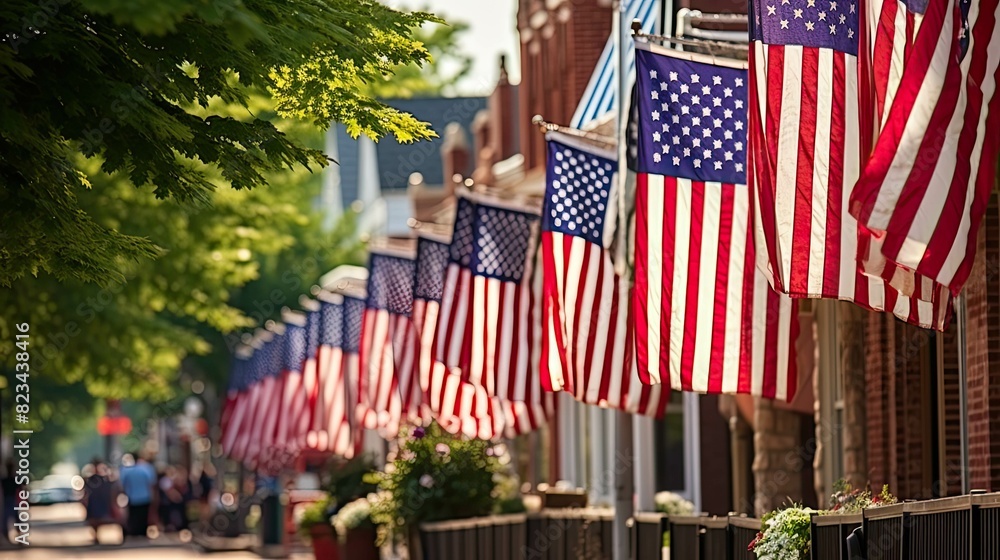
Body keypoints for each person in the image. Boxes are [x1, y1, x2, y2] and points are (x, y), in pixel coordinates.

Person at [119, 453, 157, 538]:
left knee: (134, 516)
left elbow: (123, 484)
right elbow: (151, 483)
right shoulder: (146, 469)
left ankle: (134, 532)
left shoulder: (127, 471)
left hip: (133, 497)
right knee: (143, 516)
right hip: (145, 497)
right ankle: (143, 532)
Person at [82, 458, 117, 544]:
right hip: (94, 500)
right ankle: (96, 535)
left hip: (102, 499)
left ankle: (97, 534)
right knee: (94, 519)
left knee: (99, 517)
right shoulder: (90, 479)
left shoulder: (104, 479)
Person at [1, 461, 19, 545]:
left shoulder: (7, 480)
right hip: (10, 500)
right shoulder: (12, 479)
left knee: (9, 519)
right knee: (14, 519)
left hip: (10, 500)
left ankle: (15, 536)